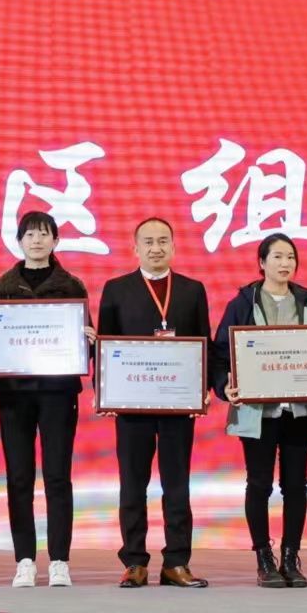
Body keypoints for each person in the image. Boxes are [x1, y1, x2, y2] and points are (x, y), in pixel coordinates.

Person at [211, 233, 307, 588]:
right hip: (257, 412)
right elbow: (221, 353)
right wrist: (224, 386)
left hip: (299, 411)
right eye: (277, 256)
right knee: (259, 483)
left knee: (296, 485)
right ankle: (264, 558)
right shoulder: (242, 303)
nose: (285, 263)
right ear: (262, 263)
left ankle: (291, 558)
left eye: (290, 257)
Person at [99, 217, 212, 588]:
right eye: (148, 241)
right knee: (132, 484)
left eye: (163, 240)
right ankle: (134, 561)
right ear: (135, 248)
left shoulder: (192, 290)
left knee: (177, 485)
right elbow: (105, 346)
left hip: (178, 405)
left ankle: (176, 562)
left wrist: (204, 388)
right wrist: (107, 391)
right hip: (132, 406)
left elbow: (204, 344)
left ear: (174, 246)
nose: (156, 248)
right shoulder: (116, 289)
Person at [0, 210, 92, 589]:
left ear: (55, 241)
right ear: (19, 241)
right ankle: (25, 560)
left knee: (58, 476)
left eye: (44, 234)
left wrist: (89, 341)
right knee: (18, 477)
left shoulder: (72, 286)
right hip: (14, 395)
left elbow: (85, 344)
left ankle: (59, 559)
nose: (37, 240)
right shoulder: (2, 286)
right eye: (29, 234)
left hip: (58, 393)